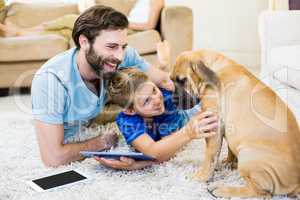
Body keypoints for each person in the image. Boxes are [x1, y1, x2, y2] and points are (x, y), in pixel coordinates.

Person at [31, 5, 174, 168]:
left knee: (140, 100)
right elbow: (53, 158)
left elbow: (164, 81)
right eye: (111, 47)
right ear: (84, 42)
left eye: (123, 47)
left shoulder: (122, 56)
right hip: (77, 121)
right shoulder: (50, 81)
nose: (120, 56)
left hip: (97, 112)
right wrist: (99, 142)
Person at [96, 68, 218, 168]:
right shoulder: (126, 121)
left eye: (154, 90)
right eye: (147, 101)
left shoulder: (167, 101)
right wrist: (139, 163)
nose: (157, 100)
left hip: (191, 108)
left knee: (211, 98)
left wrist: (188, 131)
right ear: (130, 110)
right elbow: (154, 151)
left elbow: (168, 152)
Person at [0, 0, 164, 39]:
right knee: (67, 30)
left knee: (72, 19)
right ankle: (20, 33)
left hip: (128, 29)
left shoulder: (157, 0)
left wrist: (123, 23)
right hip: (121, 25)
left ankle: (19, 31)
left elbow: (149, 25)